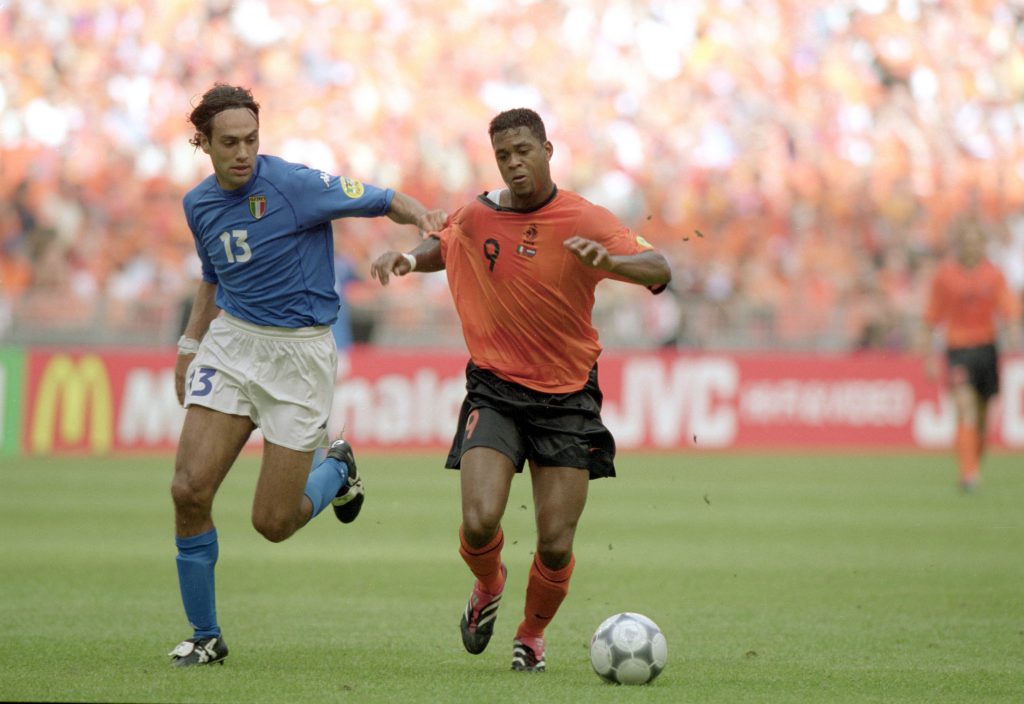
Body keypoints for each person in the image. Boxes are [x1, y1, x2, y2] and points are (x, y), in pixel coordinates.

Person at [370, 107, 672, 672]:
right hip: (496, 388)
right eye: (503, 155)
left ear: (548, 150)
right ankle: (489, 583)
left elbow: (659, 268)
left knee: (555, 543)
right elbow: (450, 240)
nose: (513, 164)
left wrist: (612, 263)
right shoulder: (480, 211)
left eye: (522, 151)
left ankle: (531, 635)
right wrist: (409, 259)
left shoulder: (586, 217)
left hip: (567, 397)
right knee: (480, 520)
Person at [168, 83, 446, 667]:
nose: (243, 153)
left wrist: (423, 217)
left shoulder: (293, 185)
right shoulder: (197, 205)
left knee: (272, 522)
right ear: (204, 145)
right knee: (188, 490)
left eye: (251, 140)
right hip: (233, 344)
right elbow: (211, 276)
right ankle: (204, 636)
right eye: (229, 143)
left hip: (298, 357)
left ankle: (337, 467)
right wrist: (190, 342)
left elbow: (381, 197)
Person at [919, 217, 1021, 491]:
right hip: (958, 350)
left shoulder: (994, 274)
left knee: (983, 417)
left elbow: (1008, 308)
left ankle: (972, 462)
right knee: (964, 408)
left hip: (987, 349)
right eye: (967, 242)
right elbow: (931, 318)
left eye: (976, 242)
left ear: (983, 245)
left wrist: (1012, 330)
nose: (971, 247)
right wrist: (928, 357)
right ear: (960, 245)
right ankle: (969, 474)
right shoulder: (945, 276)